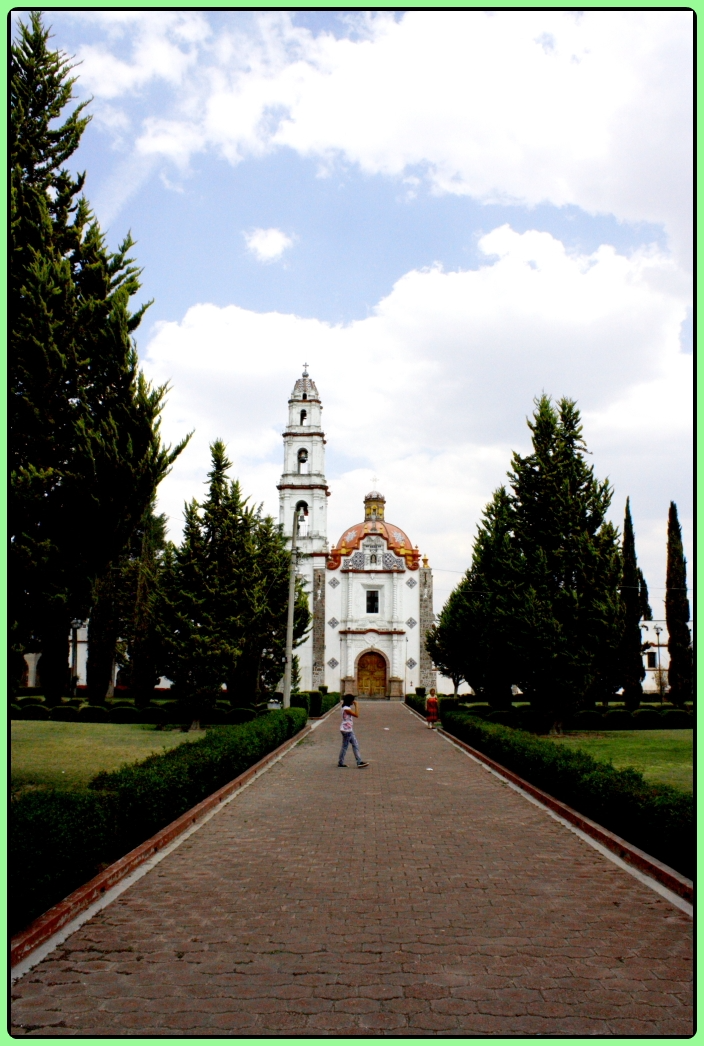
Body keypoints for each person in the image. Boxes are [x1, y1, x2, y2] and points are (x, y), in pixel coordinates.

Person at [338, 695, 369, 767]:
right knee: (346, 746)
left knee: (354, 744)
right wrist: (357, 705)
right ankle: (343, 762)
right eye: (352, 700)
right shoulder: (346, 709)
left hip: (347, 729)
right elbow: (356, 715)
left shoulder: (346, 707)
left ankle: (358, 761)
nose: (353, 701)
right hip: (347, 730)